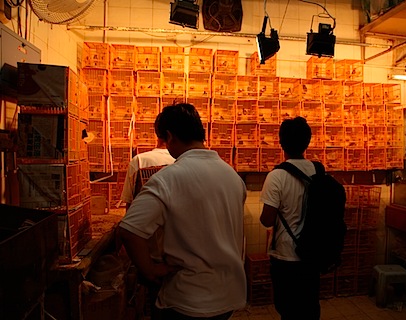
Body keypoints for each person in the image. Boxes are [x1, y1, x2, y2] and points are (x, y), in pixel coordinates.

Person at [118, 103, 247, 320]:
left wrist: (149, 270)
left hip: (188, 299)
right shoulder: (232, 176)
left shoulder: (168, 179)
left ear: (169, 137)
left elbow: (129, 230)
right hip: (229, 295)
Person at [259, 116, 321, 320]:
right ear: (307, 142)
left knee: (288, 309)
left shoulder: (277, 176)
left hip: (286, 254)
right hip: (313, 251)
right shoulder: (317, 171)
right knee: (309, 306)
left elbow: (267, 220)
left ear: (281, 143)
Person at [120, 113, 176, 210]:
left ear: (157, 133)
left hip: (145, 218)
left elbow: (129, 201)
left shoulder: (139, 160)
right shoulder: (182, 160)